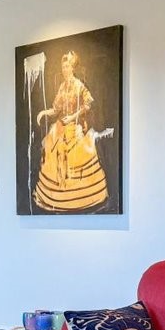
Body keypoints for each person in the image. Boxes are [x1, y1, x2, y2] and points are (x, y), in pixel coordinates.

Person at [33, 50, 110, 211]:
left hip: (75, 126)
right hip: (61, 126)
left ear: (73, 68)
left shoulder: (79, 85)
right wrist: (44, 112)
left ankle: (78, 197)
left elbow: (88, 104)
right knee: (51, 146)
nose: (65, 70)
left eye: (67, 66)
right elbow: (56, 109)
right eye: (63, 67)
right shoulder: (62, 87)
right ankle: (57, 195)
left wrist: (73, 117)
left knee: (77, 155)